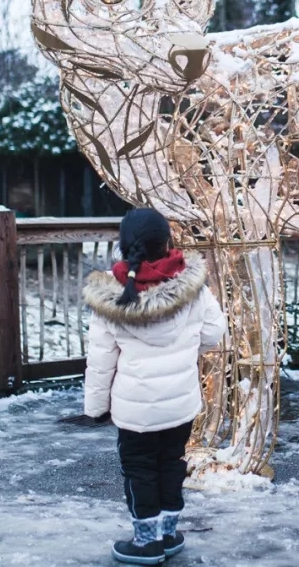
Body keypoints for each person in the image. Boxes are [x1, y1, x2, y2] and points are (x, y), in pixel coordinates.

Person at [81, 208, 226, 565]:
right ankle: (168, 533)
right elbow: (214, 333)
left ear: (124, 244)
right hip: (181, 404)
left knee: (140, 470)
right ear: (167, 243)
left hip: (135, 410)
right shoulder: (194, 288)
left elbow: (101, 361)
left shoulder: (110, 297)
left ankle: (146, 542)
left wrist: (96, 409)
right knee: (172, 464)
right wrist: (185, 349)